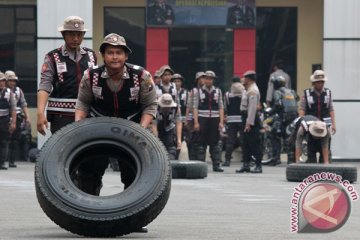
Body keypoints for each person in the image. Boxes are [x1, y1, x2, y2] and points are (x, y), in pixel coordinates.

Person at [75, 33, 156, 233]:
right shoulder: (90, 75)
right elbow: (83, 103)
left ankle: (135, 219)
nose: (114, 57)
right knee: (90, 170)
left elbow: (150, 106)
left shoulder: (142, 76)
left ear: (126, 56)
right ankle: (88, 215)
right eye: (110, 52)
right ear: (103, 55)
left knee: (133, 173)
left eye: (118, 53)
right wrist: (78, 127)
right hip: (98, 126)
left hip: (131, 127)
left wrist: (141, 129)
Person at [37, 16, 97, 135]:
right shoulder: (52, 57)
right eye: (71, 34)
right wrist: (40, 113)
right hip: (61, 115)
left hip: (88, 114)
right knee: (62, 151)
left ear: (83, 35)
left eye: (79, 34)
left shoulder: (91, 55)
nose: (75, 38)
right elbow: (45, 85)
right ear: (63, 34)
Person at [299, 70, 335, 163]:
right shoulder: (307, 93)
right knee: (311, 148)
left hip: (325, 122)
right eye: (318, 82)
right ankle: (311, 161)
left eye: (322, 82)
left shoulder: (328, 93)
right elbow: (302, 109)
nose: (321, 84)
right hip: (312, 123)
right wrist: (301, 122)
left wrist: (333, 124)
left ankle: (325, 164)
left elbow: (331, 109)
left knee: (326, 143)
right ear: (314, 82)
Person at [193, 70, 224, 172]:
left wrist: (221, 122)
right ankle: (201, 166)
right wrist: (196, 122)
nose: (208, 80)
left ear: (213, 80)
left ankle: (216, 165)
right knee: (201, 144)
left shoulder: (218, 91)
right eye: (206, 78)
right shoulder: (198, 91)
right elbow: (195, 107)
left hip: (215, 119)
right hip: (202, 119)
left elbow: (221, 107)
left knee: (215, 144)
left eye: (210, 79)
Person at [267, 75, 298, 166]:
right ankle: (291, 159)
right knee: (290, 137)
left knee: (274, 135)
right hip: (294, 116)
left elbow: (278, 104)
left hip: (283, 116)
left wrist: (270, 112)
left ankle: (276, 158)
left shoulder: (277, 92)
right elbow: (297, 99)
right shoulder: (292, 91)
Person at [236, 70, 262, 173]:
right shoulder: (247, 89)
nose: (244, 80)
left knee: (254, 143)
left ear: (249, 79)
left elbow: (252, 109)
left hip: (250, 118)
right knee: (245, 142)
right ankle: (246, 164)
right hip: (245, 117)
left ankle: (258, 165)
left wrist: (249, 123)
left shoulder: (253, 91)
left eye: (245, 78)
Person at [5, 70, 31, 167]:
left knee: (15, 140)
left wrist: (28, 117)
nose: (12, 82)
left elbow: (24, 104)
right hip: (4, 117)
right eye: (10, 80)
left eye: (14, 81)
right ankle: (3, 160)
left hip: (17, 117)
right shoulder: (3, 91)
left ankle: (11, 160)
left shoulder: (18, 91)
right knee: (4, 140)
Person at [223, 77, 245, 166]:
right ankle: (245, 159)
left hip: (231, 120)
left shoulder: (227, 95)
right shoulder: (244, 93)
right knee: (244, 140)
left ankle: (227, 160)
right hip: (242, 119)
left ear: (232, 83)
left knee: (230, 140)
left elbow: (225, 108)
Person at [185, 71, 205, 160]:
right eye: (201, 78)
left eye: (204, 78)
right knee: (192, 138)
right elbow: (189, 106)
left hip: (204, 117)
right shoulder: (193, 91)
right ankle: (192, 158)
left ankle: (201, 158)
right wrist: (187, 118)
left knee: (202, 138)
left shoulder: (208, 91)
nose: (202, 80)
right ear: (197, 80)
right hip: (194, 118)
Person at [156, 93, 182, 160]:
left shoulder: (175, 108)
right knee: (158, 149)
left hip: (170, 128)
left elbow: (179, 122)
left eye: (168, 107)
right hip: (157, 129)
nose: (166, 108)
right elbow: (153, 125)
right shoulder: (155, 108)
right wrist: (155, 140)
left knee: (172, 149)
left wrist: (179, 140)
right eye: (164, 107)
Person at [0, 72, 16, 170]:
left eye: (2, 81)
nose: (1, 83)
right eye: (0, 81)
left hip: (4, 120)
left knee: (4, 141)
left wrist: (13, 123)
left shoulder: (9, 93)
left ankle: (2, 162)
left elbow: (13, 109)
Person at [172, 73, 188, 159]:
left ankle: (176, 156)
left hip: (182, 119)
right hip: (171, 118)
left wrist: (186, 118)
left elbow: (188, 106)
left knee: (180, 138)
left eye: (178, 81)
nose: (177, 83)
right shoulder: (170, 91)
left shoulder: (186, 92)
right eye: (175, 81)